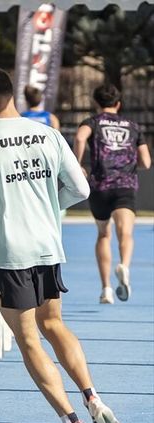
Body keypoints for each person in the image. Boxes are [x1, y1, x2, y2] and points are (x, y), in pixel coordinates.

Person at [0, 68, 120, 423]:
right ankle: (93, 397)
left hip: (10, 253)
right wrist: (51, 207)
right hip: (47, 247)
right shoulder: (49, 135)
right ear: (12, 94)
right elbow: (80, 188)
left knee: (28, 337)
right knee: (54, 323)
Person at [73, 83, 151, 304]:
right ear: (118, 103)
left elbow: (79, 138)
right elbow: (146, 161)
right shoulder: (133, 126)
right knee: (125, 233)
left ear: (96, 104)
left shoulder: (92, 122)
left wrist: (77, 164)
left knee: (103, 234)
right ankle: (124, 266)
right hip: (125, 185)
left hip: (100, 186)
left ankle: (106, 288)